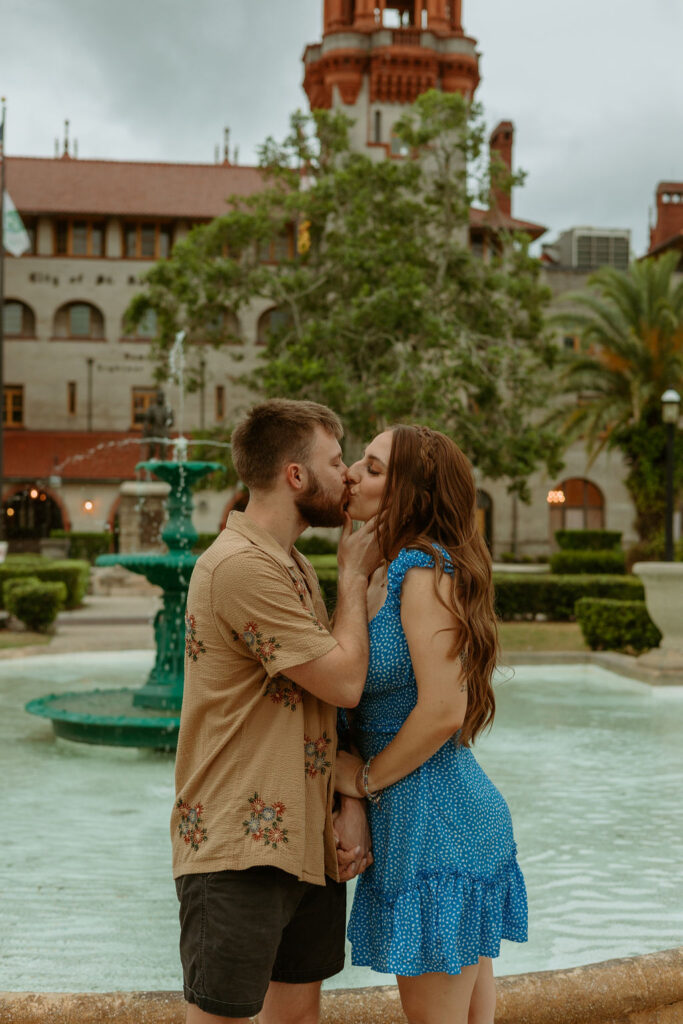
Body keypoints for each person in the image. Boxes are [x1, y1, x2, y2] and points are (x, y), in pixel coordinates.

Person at [172, 399, 378, 1024]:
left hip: (302, 841)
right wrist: (353, 575)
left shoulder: (289, 564)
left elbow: (323, 709)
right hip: (239, 846)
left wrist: (351, 803)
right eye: (336, 460)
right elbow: (343, 682)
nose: (347, 474)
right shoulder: (240, 567)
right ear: (295, 476)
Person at [335, 424, 528, 1024]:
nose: (350, 475)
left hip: (440, 830)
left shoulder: (422, 570)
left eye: (371, 468)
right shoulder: (376, 573)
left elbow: (444, 709)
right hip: (422, 822)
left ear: (409, 493)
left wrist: (361, 783)